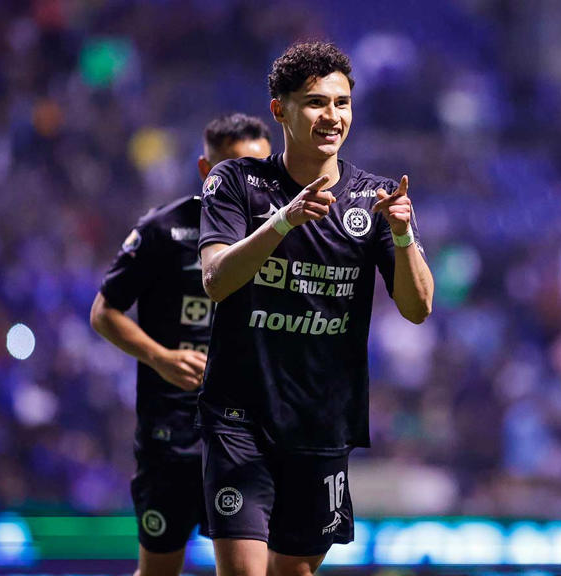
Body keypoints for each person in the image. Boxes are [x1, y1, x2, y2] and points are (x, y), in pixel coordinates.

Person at [197, 42, 434, 576]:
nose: (332, 116)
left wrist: (401, 235)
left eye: (342, 103)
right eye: (316, 103)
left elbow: (418, 307)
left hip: (322, 424)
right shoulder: (235, 182)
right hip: (239, 418)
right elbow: (216, 280)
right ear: (279, 110)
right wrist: (284, 221)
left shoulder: (376, 197)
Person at [90, 113, 271, 576]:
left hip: (248, 436)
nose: (250, 182)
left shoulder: (284, 235)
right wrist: (161, 357)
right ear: (206, 170)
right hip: (171, 435)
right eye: (235, 169)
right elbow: (104, 312)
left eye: (260, 169)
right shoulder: (162, 230)